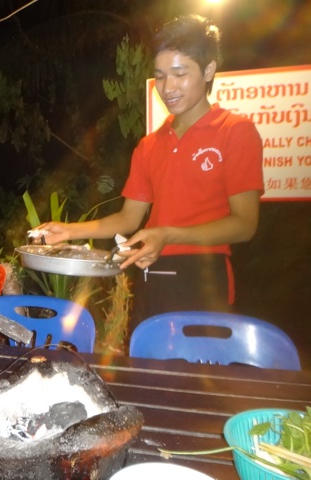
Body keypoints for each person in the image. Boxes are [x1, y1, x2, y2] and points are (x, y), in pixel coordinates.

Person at [35, 15, 263, 333]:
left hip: (204, 279)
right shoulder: (149, 145)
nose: (167, 88)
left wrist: (168, 235)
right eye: (160, 76)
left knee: (197, 380)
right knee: (146, 373)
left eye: (180, 74)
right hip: (149, 274)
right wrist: (69, 231)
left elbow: (245, 224)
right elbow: (129, 219)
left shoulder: (235, 132)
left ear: (208, 70)